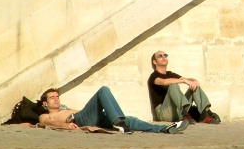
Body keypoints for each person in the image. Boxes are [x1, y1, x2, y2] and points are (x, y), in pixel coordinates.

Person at [39, 86, 187, 134]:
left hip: (88, 116)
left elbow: (84, 110)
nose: (56, 99)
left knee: (131, 120)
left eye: (57, 96)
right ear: (45, 103)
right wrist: (65, 126)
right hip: (78, 120)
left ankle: (164, 129)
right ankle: (118, 122)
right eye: (52, 97)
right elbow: (47, 124)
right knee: (103, 90)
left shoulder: (66, 108)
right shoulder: (45, 115)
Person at [147, 50, 221, 124]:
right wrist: (184, 81)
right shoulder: (154, 76)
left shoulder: (170, 74)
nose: (163, 57)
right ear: (155, 62)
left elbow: (187, 79)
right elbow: (164, 82)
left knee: (194, 86)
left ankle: (205, 113)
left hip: (177, 110)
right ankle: (184, 114)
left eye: (165, 55)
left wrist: (194, 81)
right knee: (173, 85)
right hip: (163, 112)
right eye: (160, 56)